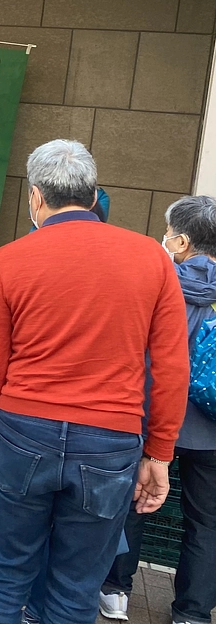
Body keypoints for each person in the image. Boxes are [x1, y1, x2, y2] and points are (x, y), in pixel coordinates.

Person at [0, 139, 189, 624]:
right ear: (92, 196)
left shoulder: (9, 260)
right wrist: (159, 453)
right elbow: (172, 368)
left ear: (36, 198)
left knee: (6, 575)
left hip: (23, 429)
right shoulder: (153, 260)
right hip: (111, 440)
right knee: (76, 588)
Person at [161, 196, 216, 624]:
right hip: (212, 430)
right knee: (208, 522)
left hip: (160, 417)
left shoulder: (160, 284)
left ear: (180, 241)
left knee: (133, 502)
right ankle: (192, 613)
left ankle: (116, 590)